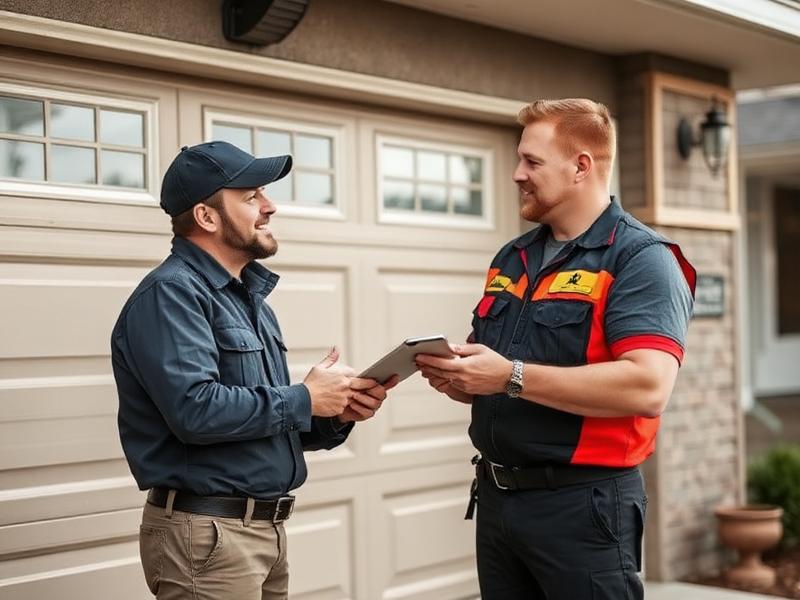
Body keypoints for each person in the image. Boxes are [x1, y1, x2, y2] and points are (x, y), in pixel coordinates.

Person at [416, 99, 696, 600]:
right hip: (499, 502)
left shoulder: (640, 259)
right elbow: (501, 372)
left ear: (581, 167)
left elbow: (648, 385)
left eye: (532, 162)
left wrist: (509, 376)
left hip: (584, 506)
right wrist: (463, 377)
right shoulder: (514, 256)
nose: (516, 174)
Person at [111, 141, 396, 600]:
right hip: (207, 537)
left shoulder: (247, 300)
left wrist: (334, 412)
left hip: (259, 534)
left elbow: (258, 425)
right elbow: (194, 411)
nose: (270, 206)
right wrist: (304, 397)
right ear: (206, 217)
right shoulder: (172, 295)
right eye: (251, 197)